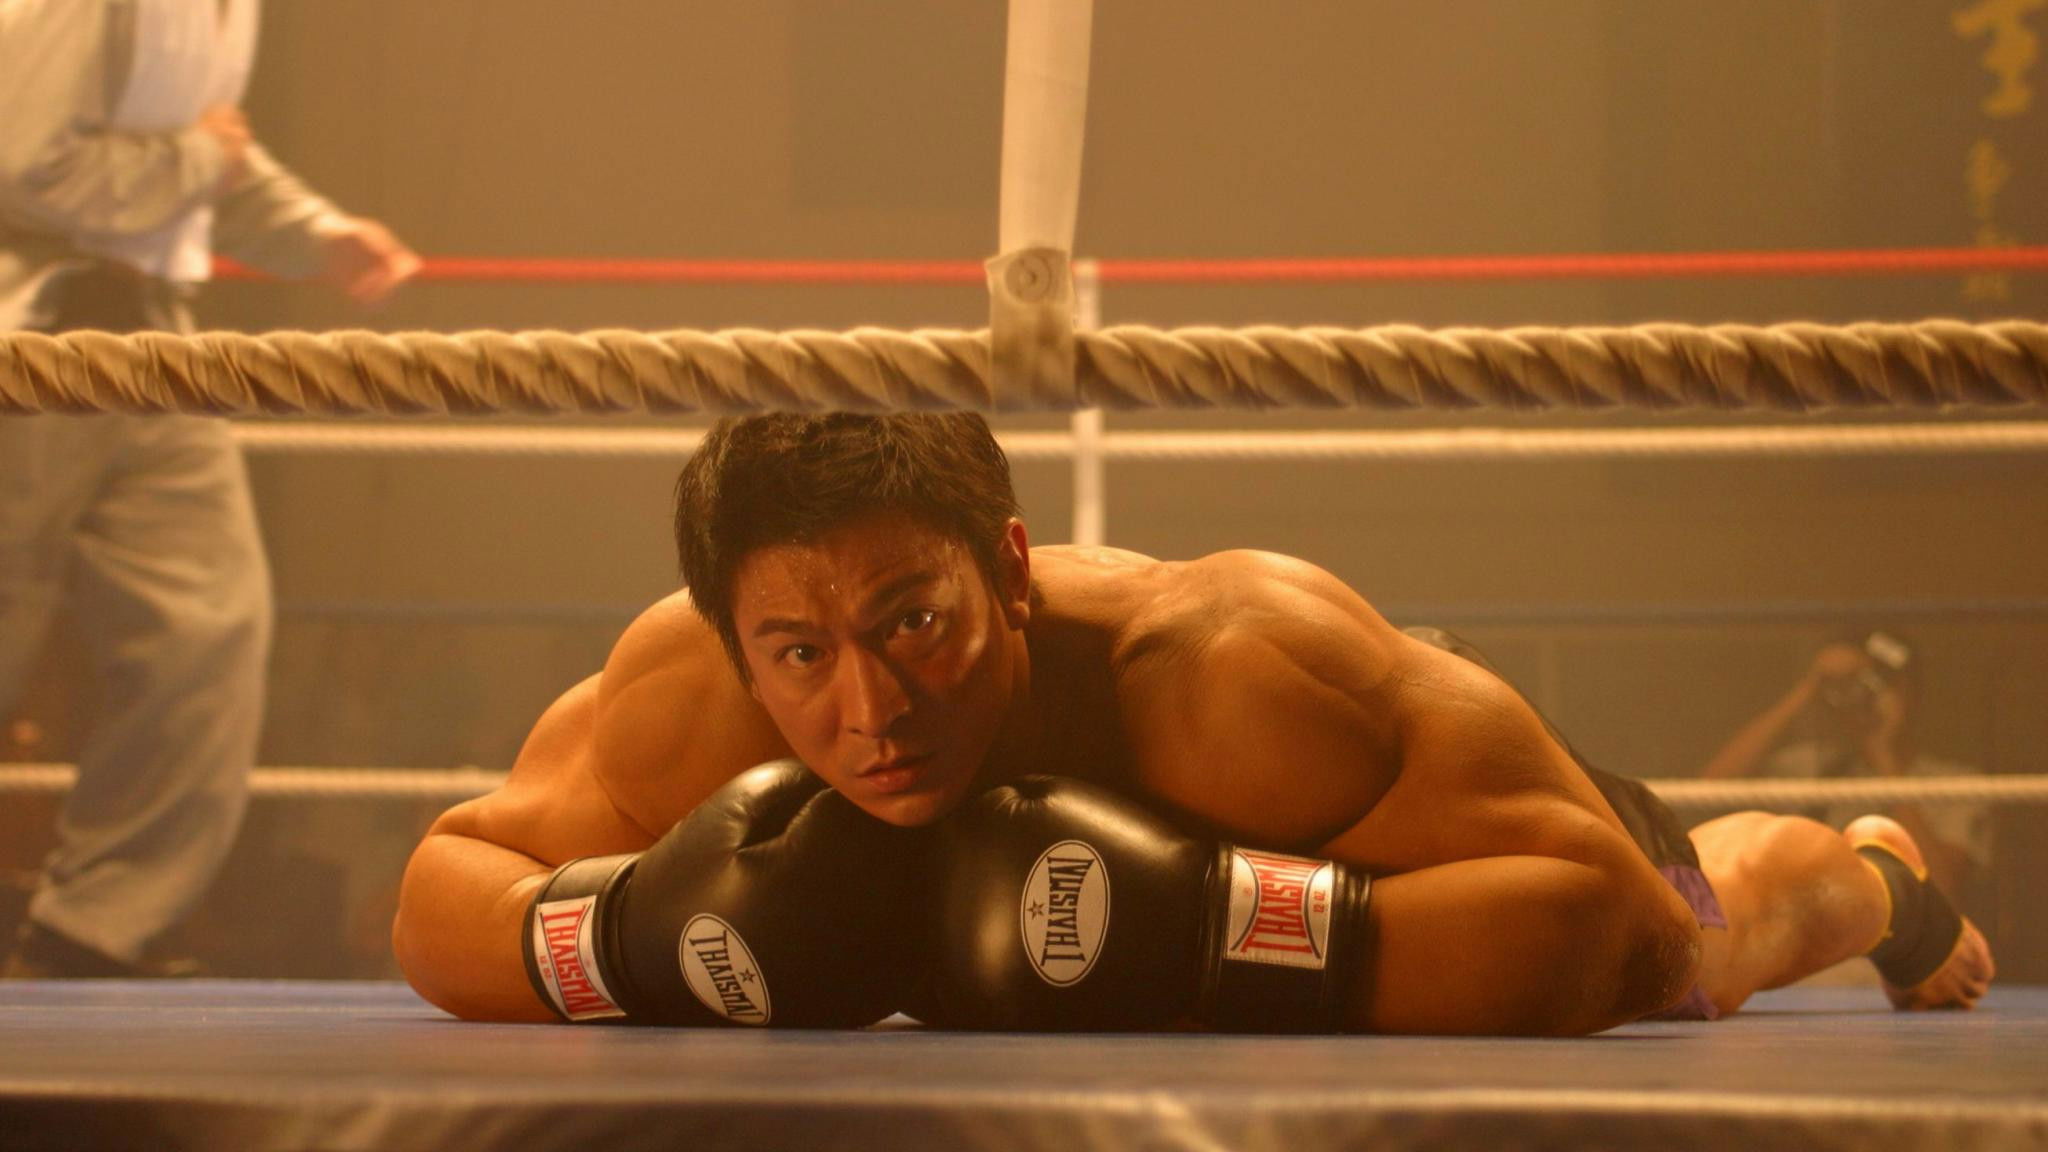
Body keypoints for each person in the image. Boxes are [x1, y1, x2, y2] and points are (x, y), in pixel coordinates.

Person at [394, 412, 1994, 1033]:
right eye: (801, 655)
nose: (868, 708)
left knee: (1720, 931)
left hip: (1408, 815)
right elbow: (441, 894)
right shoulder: (689, 693)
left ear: (1011, 571)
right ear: (742, 649)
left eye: (916, 624)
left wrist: (1216, 927)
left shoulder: (1239, 675)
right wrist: (629, 940)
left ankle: (1882, 879)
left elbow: (1619, 929)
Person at [0, 0, 419, 978]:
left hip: (150, 334)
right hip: (28, 334)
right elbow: (23, 162)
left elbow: (201, 159)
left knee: (208, 628)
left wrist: (317, 234)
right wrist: (202, 160)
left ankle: (93, 927)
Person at [1701, 633, 1994, 910]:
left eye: (1881, 685)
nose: (1865, 697)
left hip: (1898, 939)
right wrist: (1808, 690)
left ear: (1910, 695)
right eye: (1855, 686)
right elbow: (1710, 790)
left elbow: (1943, 891)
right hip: (1814, 934)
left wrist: (1883, 757)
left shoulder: (1955, 784)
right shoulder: (1812, 766)